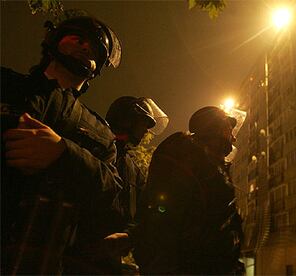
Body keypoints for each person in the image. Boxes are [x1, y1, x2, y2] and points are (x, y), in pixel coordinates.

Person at [1, 15, 123, 274]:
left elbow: (111, 196)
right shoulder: (7, 85)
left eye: (95, 48)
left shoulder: (100, 132)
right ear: (54, 41)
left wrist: (63, 153)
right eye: (77, 39)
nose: (84, 47)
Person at [130, 105, 247, 274]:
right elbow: (162, 221)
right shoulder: (188, 160)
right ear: (219, 130)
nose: (233, 139)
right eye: (229, 130)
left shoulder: (208, 166)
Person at [105, 96, 168, 272]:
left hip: (113, 253)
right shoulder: (97, 148)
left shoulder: (132, 168)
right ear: (126, 120)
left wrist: (130, 235)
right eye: (143, 124)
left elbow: (145, 210)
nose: (145, 132)